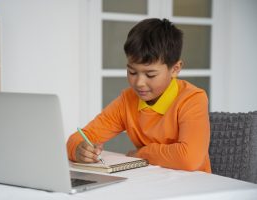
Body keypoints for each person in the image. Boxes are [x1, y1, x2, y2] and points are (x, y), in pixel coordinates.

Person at [67, 18, 211, 173]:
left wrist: (141, 153)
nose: (139, 83)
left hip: (194, 186)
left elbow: (188, 159)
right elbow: (80, 137)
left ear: (175, 69)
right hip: (151, 182)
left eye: (150, 74)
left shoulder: (192, 99)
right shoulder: (127, 101)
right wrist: (79, 150)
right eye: (132, 72)